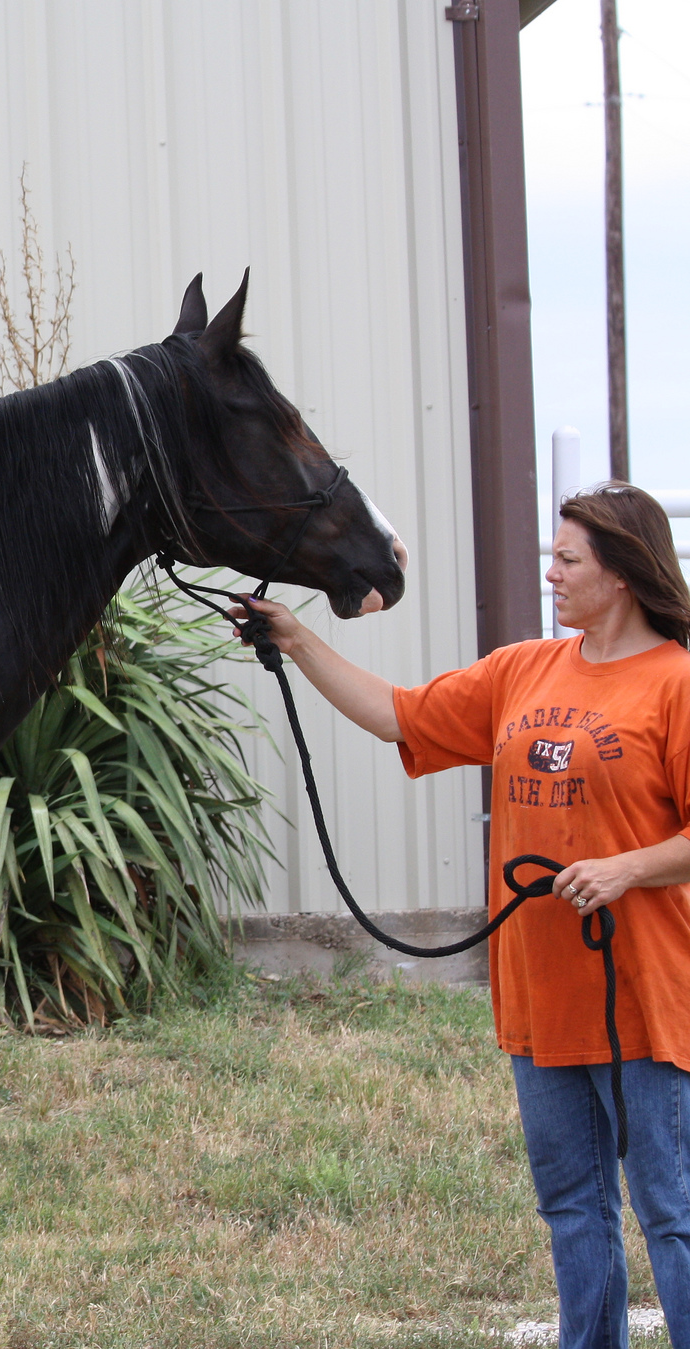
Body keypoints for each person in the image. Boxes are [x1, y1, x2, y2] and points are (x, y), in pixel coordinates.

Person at [235, 482, 690, 1349]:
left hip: (643, 998)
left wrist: (626, 868)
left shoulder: (676, 684)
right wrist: (294, 638)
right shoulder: (523, 670)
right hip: (539, 998)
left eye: (569, 560)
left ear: (623, 575)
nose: (551, 573)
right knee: (572, 1206)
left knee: (673, 1211)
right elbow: (398, 716)